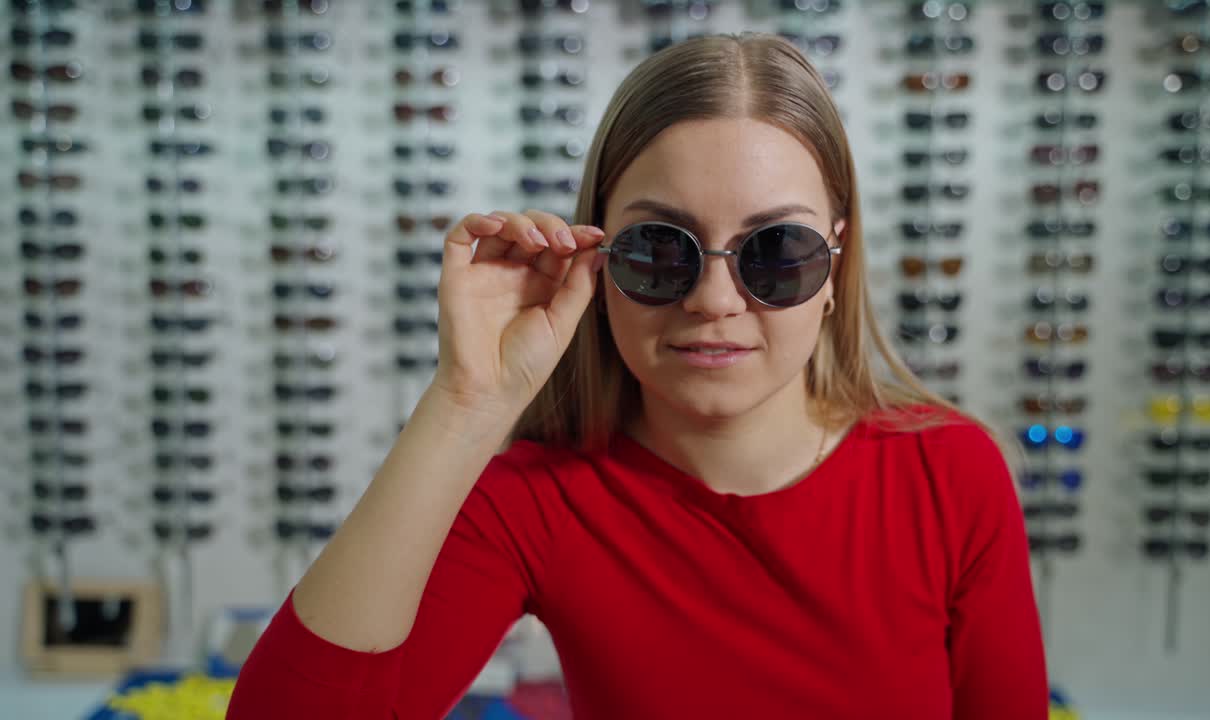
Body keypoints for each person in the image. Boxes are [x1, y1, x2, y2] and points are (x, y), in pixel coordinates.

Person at [227, 32, 1047, 719]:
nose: (715, 300)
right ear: (595, 255)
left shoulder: (951, 474)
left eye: (776, 253)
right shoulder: (538, 502)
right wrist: (465, 403)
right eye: (661, 250)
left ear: (835, 263)